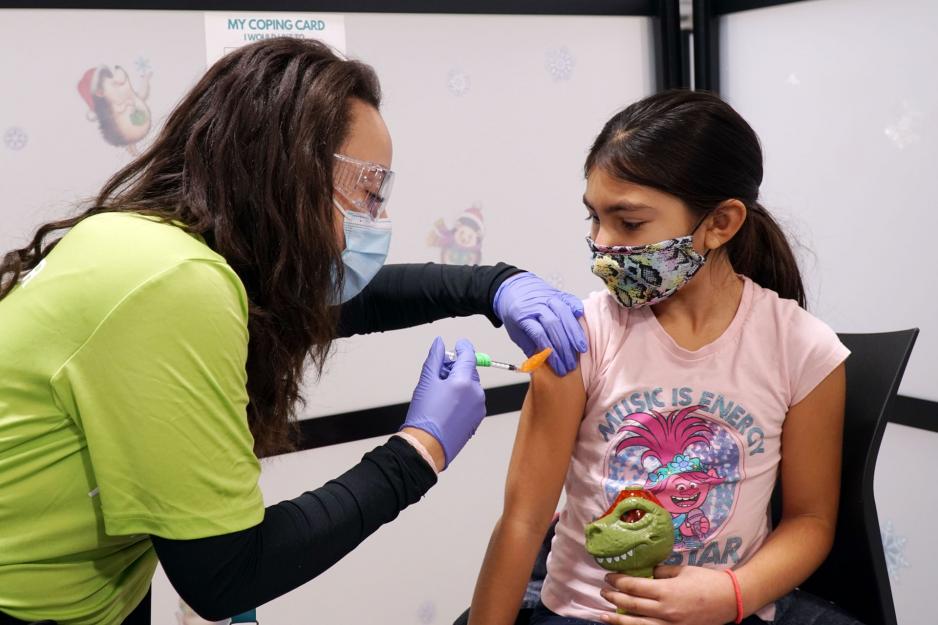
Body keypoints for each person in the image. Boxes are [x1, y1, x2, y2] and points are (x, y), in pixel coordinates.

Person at [0, 38, 586, 625]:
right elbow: (226, 574)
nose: (375, 220)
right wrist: (420, 450)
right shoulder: (174, 283)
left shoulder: (150, 243)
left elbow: (323, 302)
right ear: (288, 173)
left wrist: (492, 285)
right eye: (367, 191)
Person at [467, 90, 860, 625]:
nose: (602, 245)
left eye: (628, 224)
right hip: (587, 613)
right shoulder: (580, 336)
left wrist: (732, 594)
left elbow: (810, 519)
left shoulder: (804, 349)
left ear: (720, 223)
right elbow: (522, 520)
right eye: (594, 219)